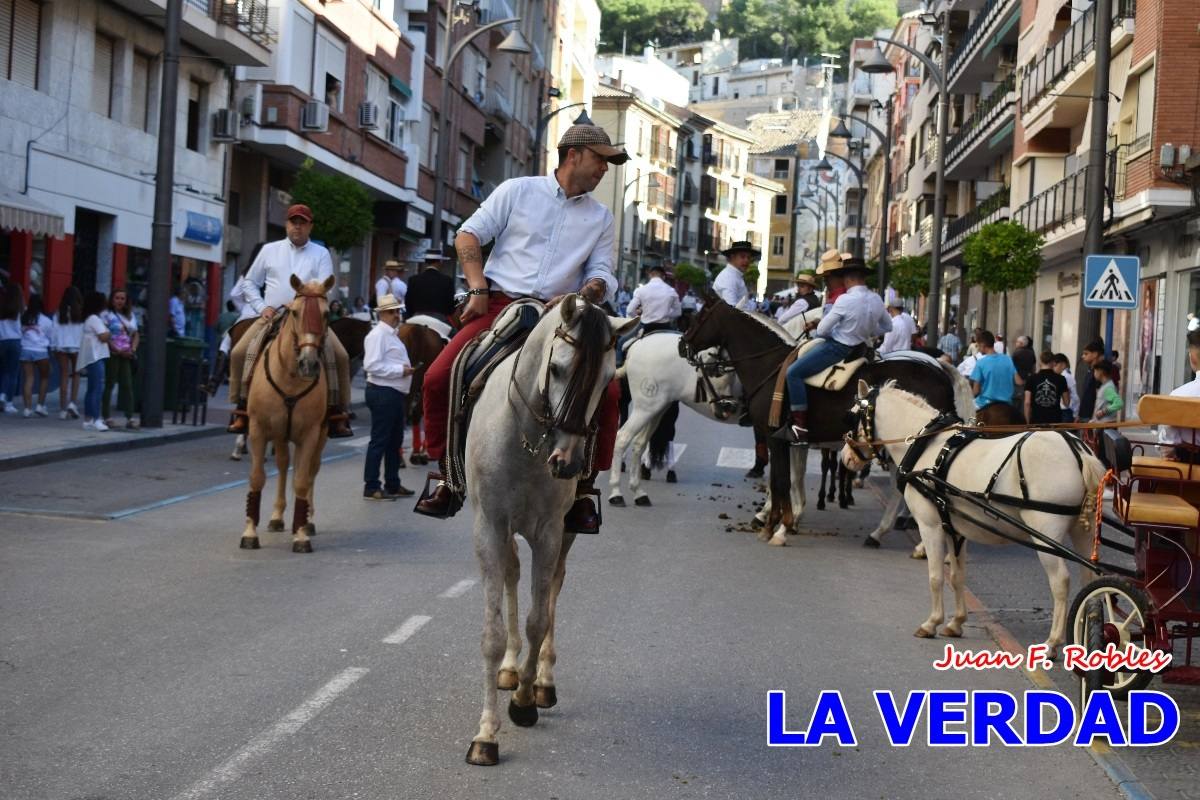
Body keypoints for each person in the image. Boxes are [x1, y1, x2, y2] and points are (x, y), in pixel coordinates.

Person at [414, 119, 629, 532]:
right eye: (601, 161)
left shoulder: (601, 217)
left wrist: (589, 290)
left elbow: (603, 272)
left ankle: (585, 488)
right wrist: (476, 287)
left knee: (611, 390)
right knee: (438, 379)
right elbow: (468, 235)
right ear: (573, 155)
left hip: (563, 314)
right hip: (502, 305)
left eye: (609, 164)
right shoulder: (518, 190)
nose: (605, 170)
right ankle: (446, 477)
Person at [228, 204, 353, 438]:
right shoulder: (269, 250)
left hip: (308, 318)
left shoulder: (321, 253)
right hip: (272, 314)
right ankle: (240, 409)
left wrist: (301, 303)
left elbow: (327, 288)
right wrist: (261, 307)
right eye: (293, 221)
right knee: (238, 352)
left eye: (302, 222)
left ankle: (338, 413)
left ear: (310, 226)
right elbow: (249, 283)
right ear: (286, 224)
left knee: (341, 356)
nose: (297, 226)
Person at [776, 258, 891, 443]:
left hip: (838, 348)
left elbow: (822, 330)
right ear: (864, 277)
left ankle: (800, 426)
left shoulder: (845, 299)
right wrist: (868, 331)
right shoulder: (876, 299)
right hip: (862, 349)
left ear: (847, 278)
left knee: (793, 373)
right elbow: (887, 326)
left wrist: (838, 329)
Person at [362, 293, 417, 500]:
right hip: (383, 391)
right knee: (380, 440)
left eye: (398, 311)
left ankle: (393, 483)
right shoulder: (377, 335)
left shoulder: (391, 335)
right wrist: (400, 371)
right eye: (393, 312)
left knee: (395, 441)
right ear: (383, 314)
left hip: (393, 392)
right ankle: (371, 486)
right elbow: (371, 365)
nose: (397, 315)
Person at [1158, 330, 1200, 460]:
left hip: (1190, 464)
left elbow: (1168, 442)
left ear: (1192, 357)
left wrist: (1168, 453)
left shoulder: (1179, 395)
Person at [102, 288, 140, 429]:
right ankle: (106, 416)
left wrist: (133, 349)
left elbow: (136, 334)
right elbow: (104, 335)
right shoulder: (106, 315)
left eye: (122, 298)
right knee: (110, 383)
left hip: (127, 354)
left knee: (127, 385)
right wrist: (115, 349)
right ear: (112, 300)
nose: (119, 301)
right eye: (117, 298)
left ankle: (130, 417)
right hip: (113, 353)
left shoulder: (130, 316)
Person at [77, 291, 111, 431]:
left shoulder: (89, 318)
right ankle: (96, 419)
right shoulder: (94, 319)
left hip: (91, 357)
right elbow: (104, 336)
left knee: (92, 389)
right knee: (97, 389)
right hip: (96, 357)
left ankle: (88, 419)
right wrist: (109, 332)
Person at [970, 330, 1022, 418]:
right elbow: (1018, 382)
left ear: (983, 345)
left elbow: (976, 391)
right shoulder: (1008, 359)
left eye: (978, 346)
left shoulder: (980, 363)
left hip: (985, 403)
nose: (978, 348)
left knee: (964, 418)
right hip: (1007, 403)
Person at [52, 286, 84, 419]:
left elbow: (54, 331)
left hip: (61, 345)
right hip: (76, 346)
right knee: (76, 375)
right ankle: (72, 403)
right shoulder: (82, 312)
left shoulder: (59, 312)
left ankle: (63, 410)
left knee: (64, 375)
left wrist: (54, 346)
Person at [19, 293, 53, 417]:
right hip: (41, 351)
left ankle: (27, 409)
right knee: (44, 377)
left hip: (26, 350)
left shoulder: (24, 318)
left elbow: (20, 332)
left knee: (28, 378)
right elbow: (50, 337)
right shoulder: (46, 320)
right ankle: (40, 405)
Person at [627, 264, 681, 333]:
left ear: (650, 275)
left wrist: (640, 318)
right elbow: (678, 312)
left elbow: (629, 311)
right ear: (663, 277)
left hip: (646, 327)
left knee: (621, 342)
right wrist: (665, 314)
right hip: (665, 326)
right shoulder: (671, 291)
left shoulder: (641, 290)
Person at [403, 253, 457, 322]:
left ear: (426, 262)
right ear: (439, 262)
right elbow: (451, 304)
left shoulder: (413, 279)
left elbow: (408, 301)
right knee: (454, 332)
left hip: (417, 317)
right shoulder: (447, 280)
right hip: (439, 318)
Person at [1024, 350, 1069, 425]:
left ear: (1040, 362)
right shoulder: (1061, 379)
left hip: (1036, 421)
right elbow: (1066, 403)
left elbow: (1027, 402)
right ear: (1053, 362)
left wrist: (1027, 422)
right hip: (1055, 422)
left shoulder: (1031, 379)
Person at [712, 241, 758, 308]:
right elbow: (731, 310)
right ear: (732, 257)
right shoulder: (728, 278)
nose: (746, 260)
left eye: (749, 257)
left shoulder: (735, 276)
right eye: (742, 257)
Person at [0, 284, 21, 413]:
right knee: (13, 373)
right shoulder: (18, 309)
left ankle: (1, 393)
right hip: (14, 342)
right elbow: (20, 329)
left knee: (2, 370)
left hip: (1, 341)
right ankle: (8, 402)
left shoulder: (1, 308)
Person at [1076, 339, 1106, 421]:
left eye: (1086, 354)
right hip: (1085, 415)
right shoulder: (1090, 370)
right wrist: (1079, 414)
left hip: (1091, 417)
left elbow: (1099, 397)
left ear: (1095, 354)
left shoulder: (1098, 373)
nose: (1083, 356)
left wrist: (1094, 418)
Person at [1091, 359, 1123, 423]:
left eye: (1095, 371)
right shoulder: (1104, 386)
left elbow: (1119, 403)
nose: (1094, 373)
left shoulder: (1108, 388)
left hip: (1106, 425)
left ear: (1100, 371)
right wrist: (1094, 420)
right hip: (1101, 423)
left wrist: (1103, 412)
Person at [1052, 353, 1080, 422]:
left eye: (1055, 365)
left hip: (1067, 412)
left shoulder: (1065, 377)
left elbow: (1074, 397)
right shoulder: (1065, 376)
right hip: (1066, 411)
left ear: (1063, 364)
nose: (1053, 368)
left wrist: (1076, 414)